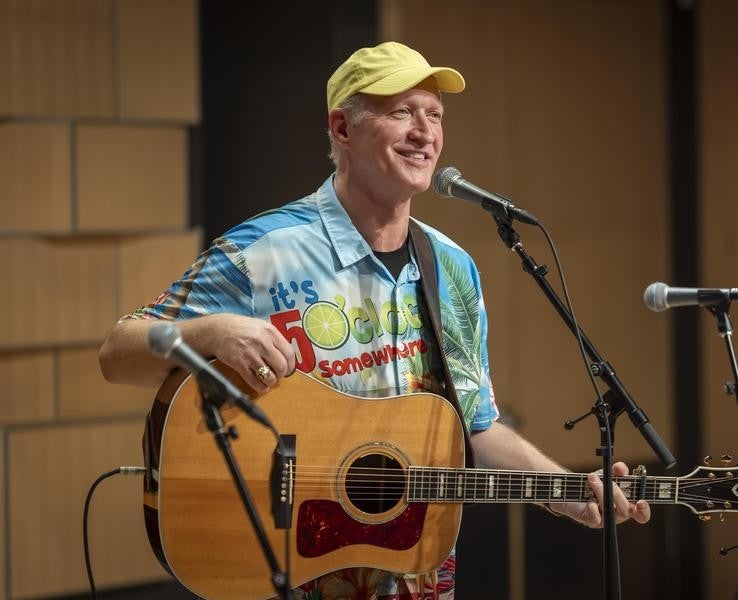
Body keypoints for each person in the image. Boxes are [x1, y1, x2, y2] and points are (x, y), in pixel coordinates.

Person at [99, 41, 651, 600]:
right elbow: (118, 353)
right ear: (342, 129)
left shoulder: (452, 268)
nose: (425, 131)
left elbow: (474, 425)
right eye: (401, 112)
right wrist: (207, 331)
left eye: (434, 115)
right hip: (289, 576)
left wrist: (562, 490)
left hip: (420, 578)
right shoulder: (263, 251)